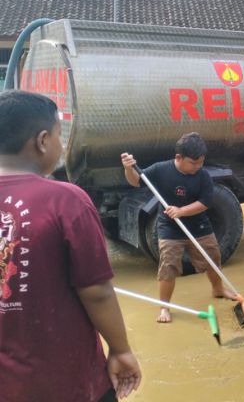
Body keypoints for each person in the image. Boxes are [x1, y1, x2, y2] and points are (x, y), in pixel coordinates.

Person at [0, 90, 141, 402]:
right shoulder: (65, 200)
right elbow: (97, 291)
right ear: (42, 141)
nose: (61, 145)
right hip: (68, 381)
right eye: (59, 136)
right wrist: (120, 350)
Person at [121, 133, 236, 323]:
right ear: (178, 158)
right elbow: (135, 181)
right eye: (193, 163)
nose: (197, 166)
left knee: (213, 257)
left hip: (199, 225)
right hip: (169, 228)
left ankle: (218, 289)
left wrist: (182, 211)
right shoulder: (161, 170)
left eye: (201, 162)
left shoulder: (203, 175)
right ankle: (165, 307)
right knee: (168, 266)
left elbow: (205, 202)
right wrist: (128, 168)